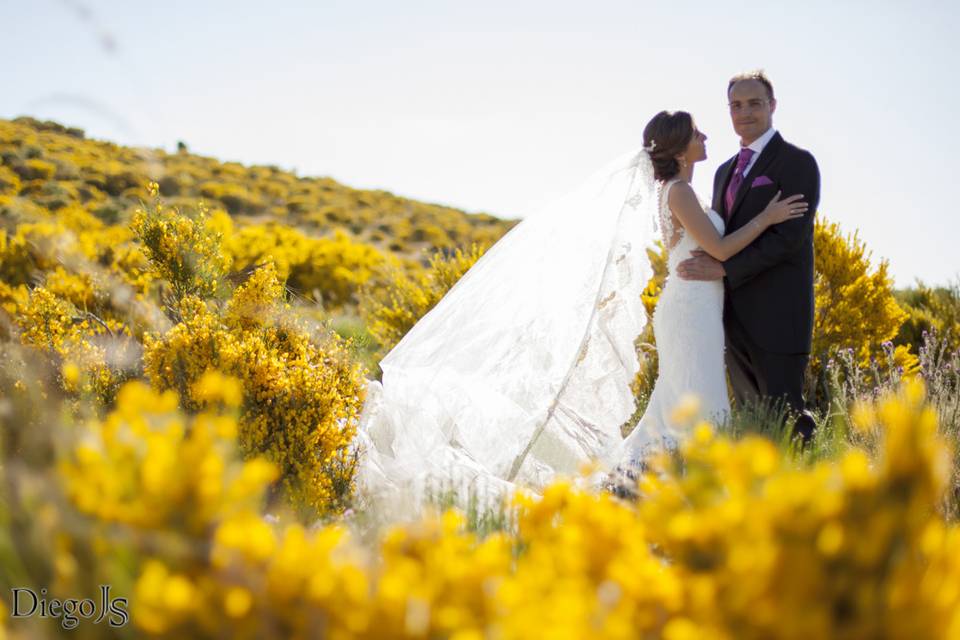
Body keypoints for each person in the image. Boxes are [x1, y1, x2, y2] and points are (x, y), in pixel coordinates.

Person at [615, 109, 806, 469]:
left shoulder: (684, 191)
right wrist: (768, 217)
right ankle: (678, 476)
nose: (705, 139)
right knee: (700, 399)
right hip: (690, 310)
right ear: (678, 150)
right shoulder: (680, 192)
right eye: (696, 135)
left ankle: (656, 474)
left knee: (686, 398)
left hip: (698, 306)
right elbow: (719, 250)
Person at [676, 70, 820, 443]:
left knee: (787, 417)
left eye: (754, 103)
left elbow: (788, 240)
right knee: (753, 424)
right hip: (730, 319)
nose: (745, 112)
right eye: (736, 105)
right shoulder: (724, 172)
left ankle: (805, 493)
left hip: (779, 316)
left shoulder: (798, 163)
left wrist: (723, 269)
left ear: (772, 106)